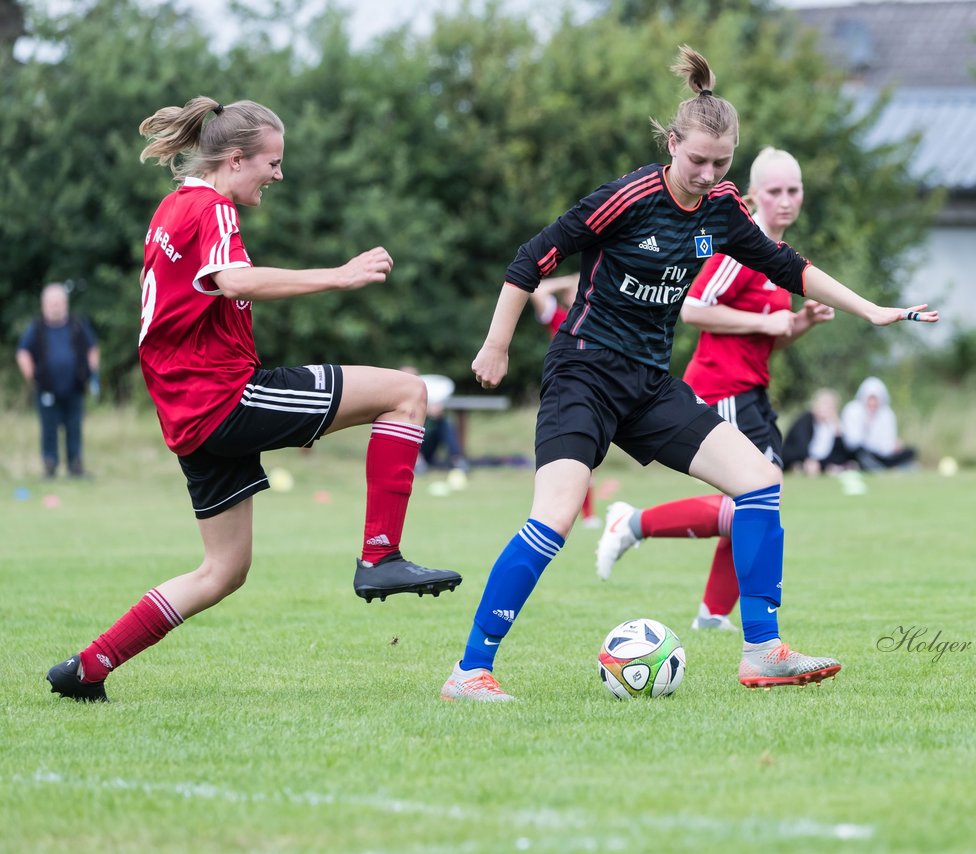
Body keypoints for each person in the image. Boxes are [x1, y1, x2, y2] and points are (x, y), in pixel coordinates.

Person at [440, 47, 937, 702]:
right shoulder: (628, 197)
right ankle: (470, 670)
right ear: (672, 143)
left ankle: (763, 650)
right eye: (696, 159)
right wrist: (497, 343)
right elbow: (533, 257)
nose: (706, 174)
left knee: (760, 482)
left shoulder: (722, 209)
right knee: (556, 515)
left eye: (720, 163)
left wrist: (871, 308)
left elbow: (788, 266)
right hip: (585, 372)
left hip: (648, 384)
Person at [45, 96, 462, 703]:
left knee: (223, 571)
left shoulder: (172, 207)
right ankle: (380, 555)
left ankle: (87, 668)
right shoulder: (209, 208)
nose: (279, 174)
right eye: (272, 162)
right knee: (406, 392)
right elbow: (232, 280)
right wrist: (339, 275)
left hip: (189, 415)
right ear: (235, 159)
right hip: (224, 398)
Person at [593, 147, 836, 632]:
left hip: (752, 390)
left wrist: (799, 324)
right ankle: (632, 523)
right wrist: (769, 325)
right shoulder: (743, 247)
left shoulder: (776, 258)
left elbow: (767, 339)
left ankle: (711, 614)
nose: (785, 201)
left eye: (793, 191)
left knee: (760, 500)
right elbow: (695, 308)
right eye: (774, 191)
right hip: (721, 387)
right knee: (758, 497)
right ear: (755, 194)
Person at [529, 274, 602, 527]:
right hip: (568, 390)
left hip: (596, 390)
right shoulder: (560, 317)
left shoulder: (597, 319)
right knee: (571, 456)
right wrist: (568, 281)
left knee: (589, 460)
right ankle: (560, 516)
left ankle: (588, 515)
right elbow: (536, 290)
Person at [15, 282, 100, 478]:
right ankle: (50, 466)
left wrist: (92, 374)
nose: (55, 307)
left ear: (65, 303)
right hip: (47, 389)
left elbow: (92, 348)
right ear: (44, 305)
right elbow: (22, 352)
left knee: (74, 428)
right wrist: (31, 376)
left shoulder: (77, 325)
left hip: (75, 387)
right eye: (51, 303)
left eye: (59, 302)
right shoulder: (36, 328)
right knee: (49, 429)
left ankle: (75, 466)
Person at [841, 376, 917, 471]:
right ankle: (876, 467)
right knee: (860, 453)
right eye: (870, 399)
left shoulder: (887, 414)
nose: (872, 403)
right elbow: (851, 442)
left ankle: (878, 466)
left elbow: (887, 445)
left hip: (880, 455)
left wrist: (894, 446)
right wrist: (866, 426)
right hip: (859, 452)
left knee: (911, 452)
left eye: (875, 399)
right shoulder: (853, 410)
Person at [780, 388, 851, 475]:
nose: (826, 409)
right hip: (798, 457)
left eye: (830, 406)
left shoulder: (833, 426)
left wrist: (837, 430)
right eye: (823, 404)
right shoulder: (805, 420)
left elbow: (839, 452)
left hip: (818, 462)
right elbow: (800, 445)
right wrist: (808, 461)